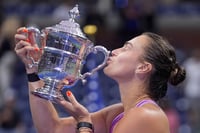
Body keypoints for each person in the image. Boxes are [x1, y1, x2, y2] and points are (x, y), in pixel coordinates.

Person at [14, 27, 186, 133]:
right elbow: (51, 129)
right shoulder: (119, 113)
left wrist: (84, 123)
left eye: (127, 48)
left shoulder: (146, 115)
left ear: (143, 67)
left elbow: (80, 125)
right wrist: (33, 69)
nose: (114, 51)